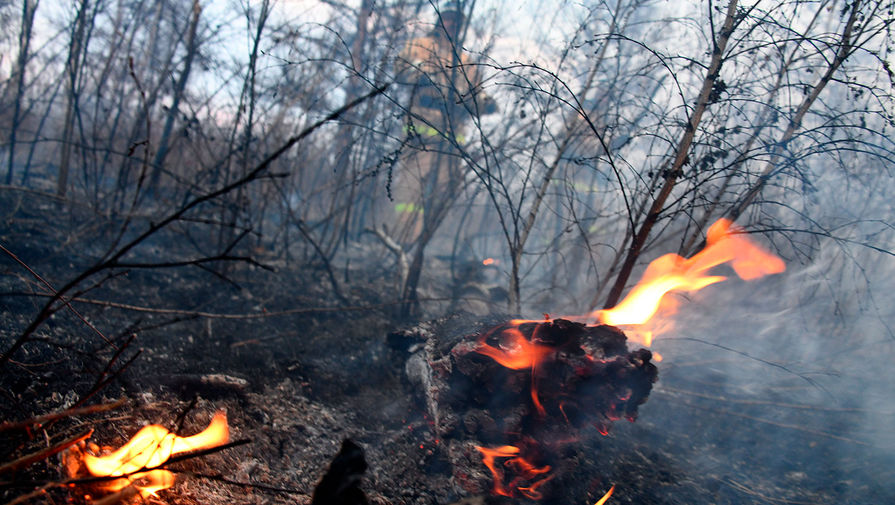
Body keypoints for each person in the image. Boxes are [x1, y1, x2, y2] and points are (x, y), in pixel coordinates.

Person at [390, 1, 497, 245]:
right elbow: (401, 70)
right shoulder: (420, 46)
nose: (451, 23)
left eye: (456, 20)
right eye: (448, 17)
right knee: (411, 191)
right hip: (421, 134)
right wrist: (422, 76)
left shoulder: (466, 61)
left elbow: (475, 95)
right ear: (440, 19)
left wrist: (484, 104)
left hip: (451, 142)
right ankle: (403, 242)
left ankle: (428, 245)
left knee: (445, 193)